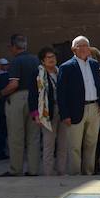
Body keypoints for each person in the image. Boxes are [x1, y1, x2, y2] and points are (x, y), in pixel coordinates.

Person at [57, 36, 100, 175]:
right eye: (81, 45)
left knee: (91, 143)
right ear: (74, 49)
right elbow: (61, 94)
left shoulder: (93, 64)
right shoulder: (66, 67)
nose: (85, 48)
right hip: (75, 110)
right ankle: (75, 174)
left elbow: (99, 86)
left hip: (94, 108)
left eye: (87, 45)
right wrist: (65, 114)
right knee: (74, 146)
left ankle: (89, 173)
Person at [0, 33, 41, 176]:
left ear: (13, 46)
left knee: (16, 136)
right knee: (33, 137)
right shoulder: (36, 60)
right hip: (35, 98)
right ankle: (33, 170)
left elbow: (13, 84)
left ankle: (15, 169)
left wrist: (0, 93)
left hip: (18, 98)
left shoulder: (16, 61)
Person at [30, 47, 67, 176]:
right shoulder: (38, 75)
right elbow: (33, 95)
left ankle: (61, 170)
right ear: (42, 60)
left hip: (62, 111)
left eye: (53, 57)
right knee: (48, 144)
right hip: (46, 112)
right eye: (48, 57)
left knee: (63, 143)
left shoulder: (61, 72)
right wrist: (36, 115)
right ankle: (48, 173)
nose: (51, 60)